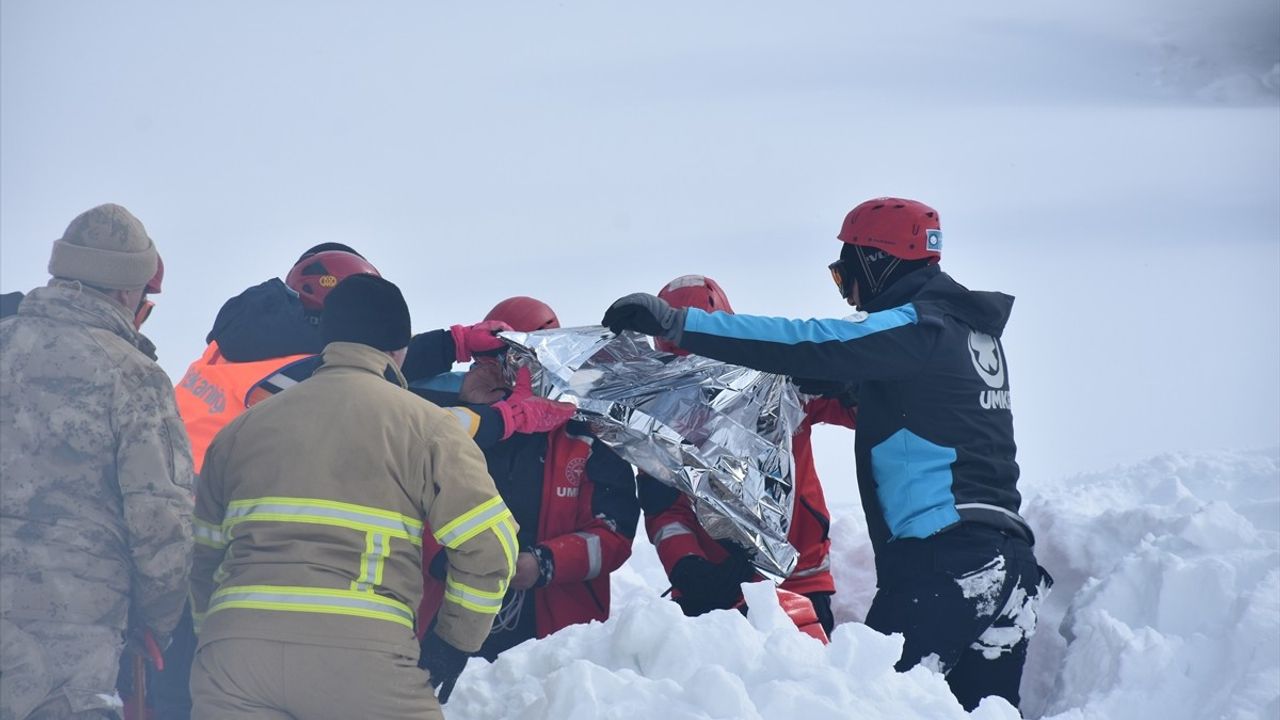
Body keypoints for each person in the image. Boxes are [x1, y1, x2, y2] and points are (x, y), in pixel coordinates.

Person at [603, 197, 1051, 711]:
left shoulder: (916, 327)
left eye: (846, 272)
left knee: (866, 703)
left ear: (878, 262)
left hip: (944, 567)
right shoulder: (969, 335)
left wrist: (675, 323)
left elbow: (811, 340)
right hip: (1010, 567)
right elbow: (894, 402)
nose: (847, 292)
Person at [189, 274, 517, 720]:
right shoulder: (429, 427)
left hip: (233, 659)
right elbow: (490, 547)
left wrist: (218, 633)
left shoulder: (241, 429)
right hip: (361, 657)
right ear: (400, 349)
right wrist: (451, 644)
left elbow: (201, 553)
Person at [0, 203, 194, 720]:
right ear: (129, 291)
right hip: (69, 639)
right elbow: (160, 521)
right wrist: (161, 624)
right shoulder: (133, 375)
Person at [411, 297, 640, 662]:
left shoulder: (587, 432)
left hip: (556, 646)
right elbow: (359, 378)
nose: (500, 372)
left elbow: (614, 534)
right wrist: (455, 348)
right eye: (489, 358)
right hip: (446, 624)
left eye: (516, 360)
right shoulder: (452, 418)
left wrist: (542, 564)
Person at [638, 275, 854, 636]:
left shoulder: (783, 383)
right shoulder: (658, 418)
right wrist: (687, 567)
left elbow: (867, 415)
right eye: (684, 368)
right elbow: (664, 510)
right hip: (709, 592)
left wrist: (849, 383)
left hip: (798, 582)